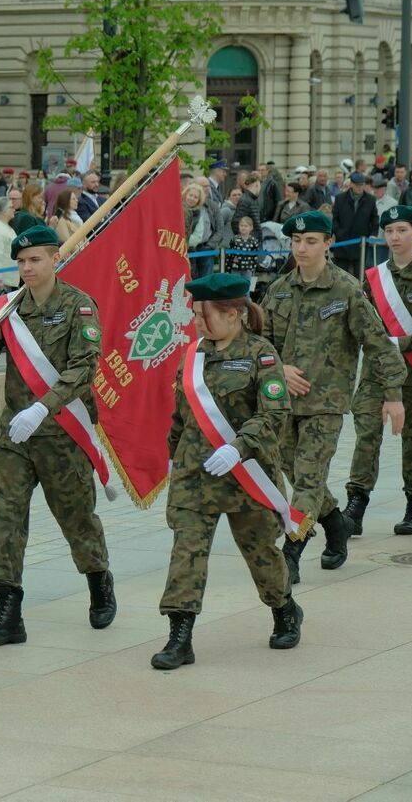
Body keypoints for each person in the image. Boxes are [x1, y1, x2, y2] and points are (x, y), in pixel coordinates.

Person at [0, 224, 117, 647]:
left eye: (35, 260)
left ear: (55, 260)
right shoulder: (8, 309)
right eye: (21, 261)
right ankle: (8, 612)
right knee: (5, 518)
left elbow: (85, 367)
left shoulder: (80, 307)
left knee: (76, 517)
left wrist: (43, 406)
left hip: (62, 433)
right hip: (15, 435)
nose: (27, 268)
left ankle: (99, 580)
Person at [152, 272, 300, 670]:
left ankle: (284, 607)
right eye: (196, 315)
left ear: (234, 313)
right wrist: (171, 456)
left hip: (245, 476)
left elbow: (274, 413)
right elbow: (181, 416)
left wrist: (237, 449)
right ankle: (179, 636)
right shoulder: (193, 355)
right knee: (187, 552)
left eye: (204, 315)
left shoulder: (261, 354)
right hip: (194, 478)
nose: (197, 323)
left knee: (260, 555)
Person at [261, 210, 405, 583]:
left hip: (325, 404)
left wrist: (393, 394)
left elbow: (378, 344)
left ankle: (290, 552)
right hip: (282, 404)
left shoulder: (345, 290)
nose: (302, 248)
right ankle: (335, 524)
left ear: (328, 244)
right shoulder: (277, 290)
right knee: (295, 473)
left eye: (311, 241)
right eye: (296, 241)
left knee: (308, 480)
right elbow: (260, 347)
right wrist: (277, 368)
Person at [343, 205, 412, 537]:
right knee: (366, 434)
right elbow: (360, 323)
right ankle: (356, 502)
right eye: (389, 231)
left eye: (402, 230)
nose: (394, 238)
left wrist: (403, 342)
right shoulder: (373, 279)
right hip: (376, 372)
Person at [332, 171, 379, 275]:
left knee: (360, 277)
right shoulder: (340, 199)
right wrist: (339, 233)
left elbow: (375, 219)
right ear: (351, 184)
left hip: (361, 245)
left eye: (362, 185)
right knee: (340, 276)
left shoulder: (370, 200)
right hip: (342, 245)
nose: (360, 187)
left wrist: (373, 234)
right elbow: (334, 219)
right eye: (357, 185)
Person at [226, 215, 261, 283]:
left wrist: (253, 268)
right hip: (235, 268)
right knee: (235, 286)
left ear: (251, 228)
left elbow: (255, 256)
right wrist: (228, 268)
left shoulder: (254, 241)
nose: (243, 228)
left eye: (246, 226)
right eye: (241, 225)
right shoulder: (234, 239)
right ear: (239, 227)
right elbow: (229, 255)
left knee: (246, 287)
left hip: (248, 269)